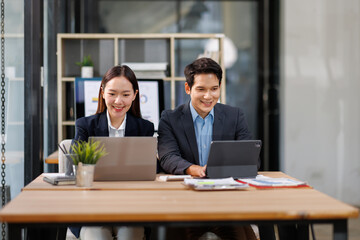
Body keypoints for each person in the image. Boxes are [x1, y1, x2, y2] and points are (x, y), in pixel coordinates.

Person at [157, 57, 257, 240]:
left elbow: (249, 157)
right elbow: (168, 157)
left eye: (214, 89)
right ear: (188, 89)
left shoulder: (234, 116)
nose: (208, 96)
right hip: (185, 202)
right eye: (201, 89)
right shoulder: (170, 118)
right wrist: (196, 170)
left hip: (225, 201)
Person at [70, 65, 154, 240]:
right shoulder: (85, 126)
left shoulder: (145, 128)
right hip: (92, 208)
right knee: (97, 236)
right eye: (112, 93)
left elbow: (150, 170)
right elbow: (75, 165)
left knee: (131, 235)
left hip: (131, 208)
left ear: (135, 95)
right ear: (102, 92)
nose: (118, 101)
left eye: (125, 94)